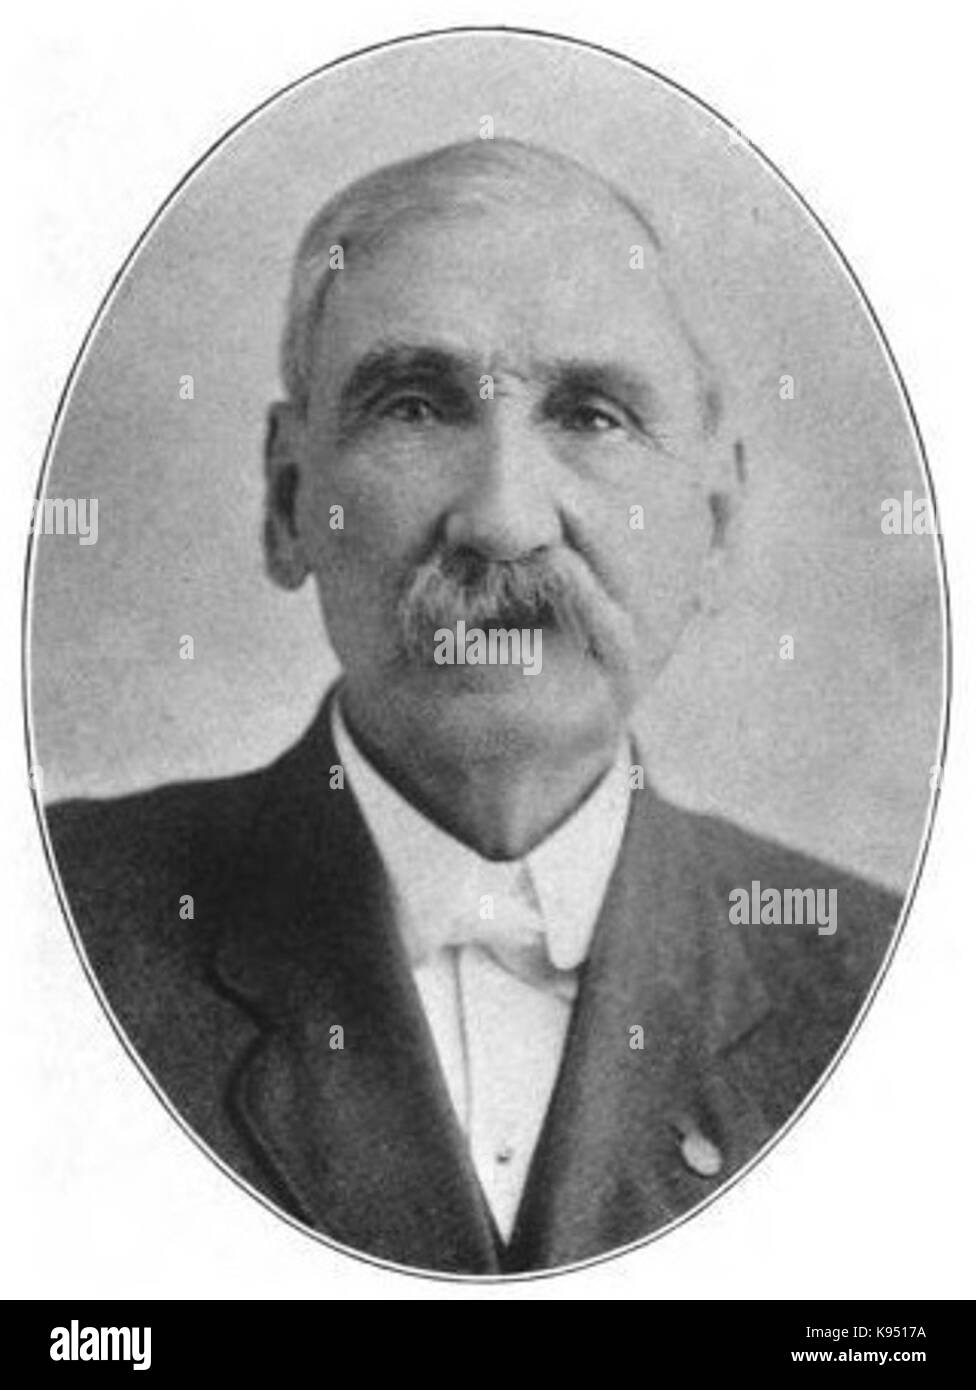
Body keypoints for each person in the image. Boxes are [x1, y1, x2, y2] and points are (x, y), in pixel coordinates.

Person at [45, 138, 902, 1274]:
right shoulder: (49, 931)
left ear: (716, 525)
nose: (502, 521)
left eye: (592, 415)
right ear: (291, 499)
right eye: (414, 407)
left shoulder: (894, 990)